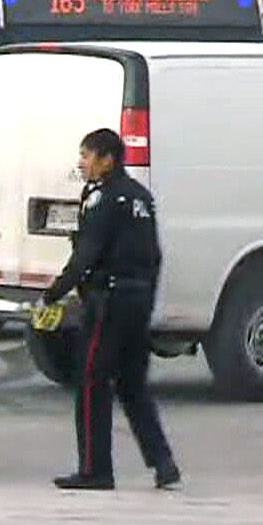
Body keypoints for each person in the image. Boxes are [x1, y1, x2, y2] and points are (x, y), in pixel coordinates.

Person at [43, 128, 180, 491]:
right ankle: (163, 462)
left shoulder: (102, 199)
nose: (82, 163)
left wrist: (54, 292)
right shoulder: (141, 198)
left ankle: (94, 469)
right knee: (134, 385)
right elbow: (155, 256)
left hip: (109, 302)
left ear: (107, 159)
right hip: (138, 300)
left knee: (91, 380)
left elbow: (86, 255)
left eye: (87, 155)